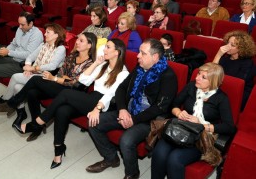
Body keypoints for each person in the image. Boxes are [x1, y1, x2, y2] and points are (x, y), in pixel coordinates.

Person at [17, 38, 129, 170]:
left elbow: (110, 94)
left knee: (65, 93)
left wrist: (97, 109)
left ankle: (37, 123)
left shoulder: (123, 72)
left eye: (108, 47)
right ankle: (58, 151)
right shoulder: (103, 65)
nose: (104, 49)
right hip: (91, 98)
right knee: (62, 111)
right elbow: (83, 80)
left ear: (117, 52)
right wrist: (96, 64)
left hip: (104, 104)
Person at [86, 38, 177, 179]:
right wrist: (122, 110)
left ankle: (132, 173)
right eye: (139, 52)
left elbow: (159, 108)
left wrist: (133, 119)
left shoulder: (168, 76)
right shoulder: (140, 67)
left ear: (155, 57)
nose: (137, 55)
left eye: (142, 53)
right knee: (94, 122)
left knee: (126, 140)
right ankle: (111, 158)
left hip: (148, 120)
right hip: (127, 111)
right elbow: (121, 88)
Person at [0, 32, 96, 141]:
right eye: (78, 39)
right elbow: (61, 73)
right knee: (32, 92)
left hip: (72, 93)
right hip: (61, 86)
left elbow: (76, 85)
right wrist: (64, 79)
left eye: (81, 40)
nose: (77, 42)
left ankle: (11, 104)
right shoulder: (72, 56)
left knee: (35, 79)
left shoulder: (90, 63)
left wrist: (62, 79)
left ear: (89, 45)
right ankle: (36, 126)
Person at [151, 62, 236, 179]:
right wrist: (179, 113)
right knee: (159, 153)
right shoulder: (191, 86)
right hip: (181, 129)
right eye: (198, 74)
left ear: (213, 81)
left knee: (175, 159)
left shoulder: (221, 98)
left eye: (203, 77)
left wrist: (201, 125)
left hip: (201, 137)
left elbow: (230, 127)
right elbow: (174, 104)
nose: (197, 78)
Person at [0, 23, 66, 123]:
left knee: (15, 77)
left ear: (56, 35)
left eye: (48, 32)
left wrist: (33, 68)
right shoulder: (43, 45)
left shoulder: (61, 49)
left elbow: (52, 66)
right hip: (36, 74)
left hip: (48, 77)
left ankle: (6, 102)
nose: (45, 34)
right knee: (17, 87)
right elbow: (30, 57)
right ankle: (20, 111)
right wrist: (27, 69)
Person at [213, 30, 256, 110]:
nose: (228, 46)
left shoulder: (248, 63)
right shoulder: (225, 58)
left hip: (239, 94)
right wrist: (218, 55)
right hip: (222, 88)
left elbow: (236, 84)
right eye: (228, 43)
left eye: (232, 45)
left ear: (241, 48)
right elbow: (211, 73)